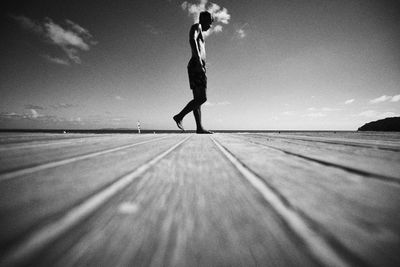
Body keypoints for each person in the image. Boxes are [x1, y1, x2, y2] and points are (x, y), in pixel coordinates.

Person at [173, 11, 214, 134]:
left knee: (197, 99)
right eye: (210, 22)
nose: (211, 26)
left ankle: (199, 128)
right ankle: (179, 116)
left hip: (196, 65)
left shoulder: (200, 30)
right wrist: (199, 61)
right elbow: (192, 40)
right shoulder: (197, 27)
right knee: (202, 98)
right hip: (196, 65)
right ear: (204, 19)